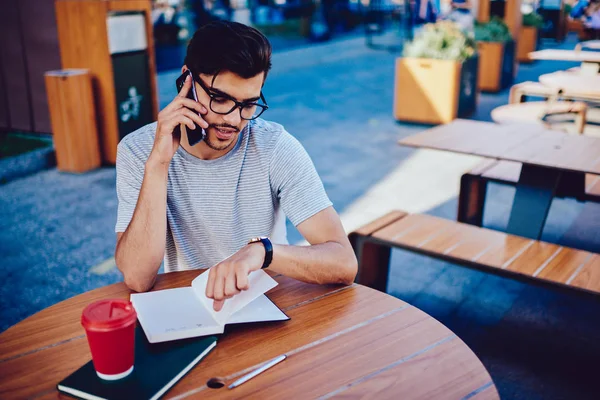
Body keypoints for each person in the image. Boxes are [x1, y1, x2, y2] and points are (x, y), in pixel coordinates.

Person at [114, 21, 358, 311]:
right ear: (186, 81)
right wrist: (158, 165)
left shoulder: (274, 147)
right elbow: (137, 278)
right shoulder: (138, 150)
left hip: (266, 307)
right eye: (219, 99)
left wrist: (263, 252)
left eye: (248, 104)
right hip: (188, 311)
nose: (233, 119)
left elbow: (344, 263)